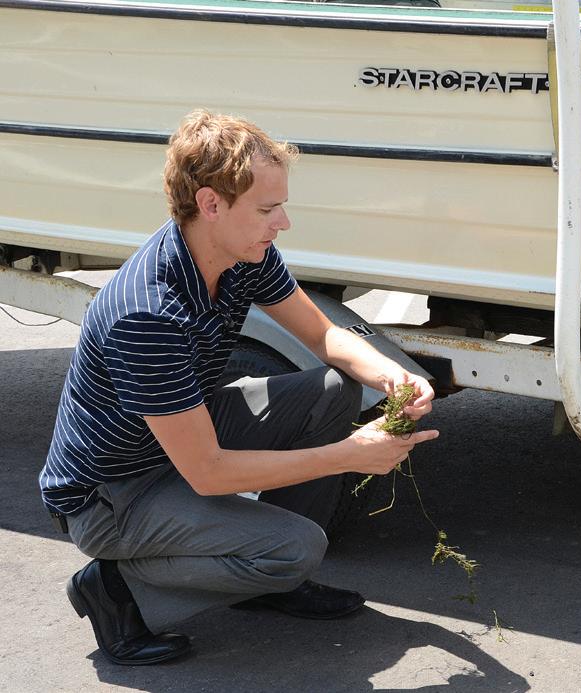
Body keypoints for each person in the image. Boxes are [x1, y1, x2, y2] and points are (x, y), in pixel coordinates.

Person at [39, 109, 439, 665]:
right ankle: (116, 589)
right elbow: (208, 473)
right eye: (268, 209)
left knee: (334, 390)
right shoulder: (148, 315)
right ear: (211, 204)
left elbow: (323, 335)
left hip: (176, 443)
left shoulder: (239, 252)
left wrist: (392, 374)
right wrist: (348, 456)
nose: (283, 223)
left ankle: (262, 573)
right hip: (113, 495)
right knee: (298, 549)